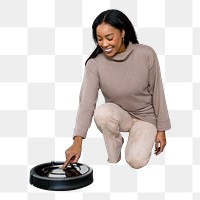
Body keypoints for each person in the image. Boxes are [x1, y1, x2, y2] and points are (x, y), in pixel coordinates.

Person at [62, 9, 171, 169]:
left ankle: (138, 140)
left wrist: (161, 130)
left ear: (123, 32)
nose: (104, 44)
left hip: (146, 118)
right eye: (99, 39)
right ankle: (115, 147)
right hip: (120, 117)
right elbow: (86, 104)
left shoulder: (146, 54)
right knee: (102, 113)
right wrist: (77, 141)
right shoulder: (95, 64)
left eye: (109, 37)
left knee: (136, 161)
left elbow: (158, 93)